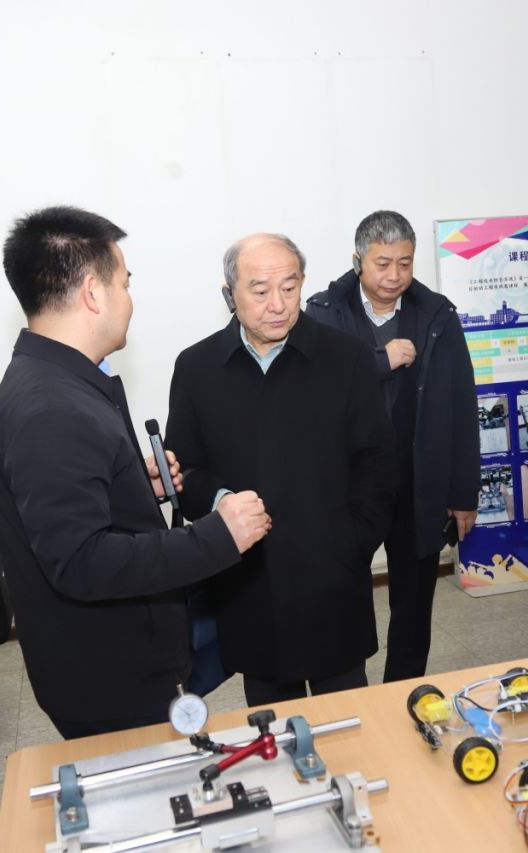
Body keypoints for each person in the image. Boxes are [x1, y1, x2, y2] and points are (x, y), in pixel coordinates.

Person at [0, 206, 269, 738]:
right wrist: (218, 535)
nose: (129, 298)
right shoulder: (51, 409)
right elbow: (81, 561)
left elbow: (73, 502)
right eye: (125, 282)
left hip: (117, 657)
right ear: (93, 293)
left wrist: (132, 483)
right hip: (108, 679)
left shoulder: (60, 379)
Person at [168, 233, 396, 705]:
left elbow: (376, 464)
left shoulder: (347, 357)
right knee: (272, 726)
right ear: (230, 294)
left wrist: (352, 543)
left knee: (350, 719)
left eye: (290, 288)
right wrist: (223, 506)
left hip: (333, 579)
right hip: (251, 583)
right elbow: (185, 470)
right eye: (260, 290)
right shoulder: (197, 368)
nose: (278, 304)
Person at [304, 211, 478, 683]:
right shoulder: (323, 313)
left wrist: (463, 492)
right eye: (383, 263)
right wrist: (381, 360)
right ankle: (350, 689)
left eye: (405, 263)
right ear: (358, 260)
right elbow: (313, 391)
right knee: (343, 594)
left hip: (418, 482)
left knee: (414, 603)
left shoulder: (437, 315)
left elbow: (462, 404)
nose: (394, 275)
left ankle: (403, 690)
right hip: (348, 487)